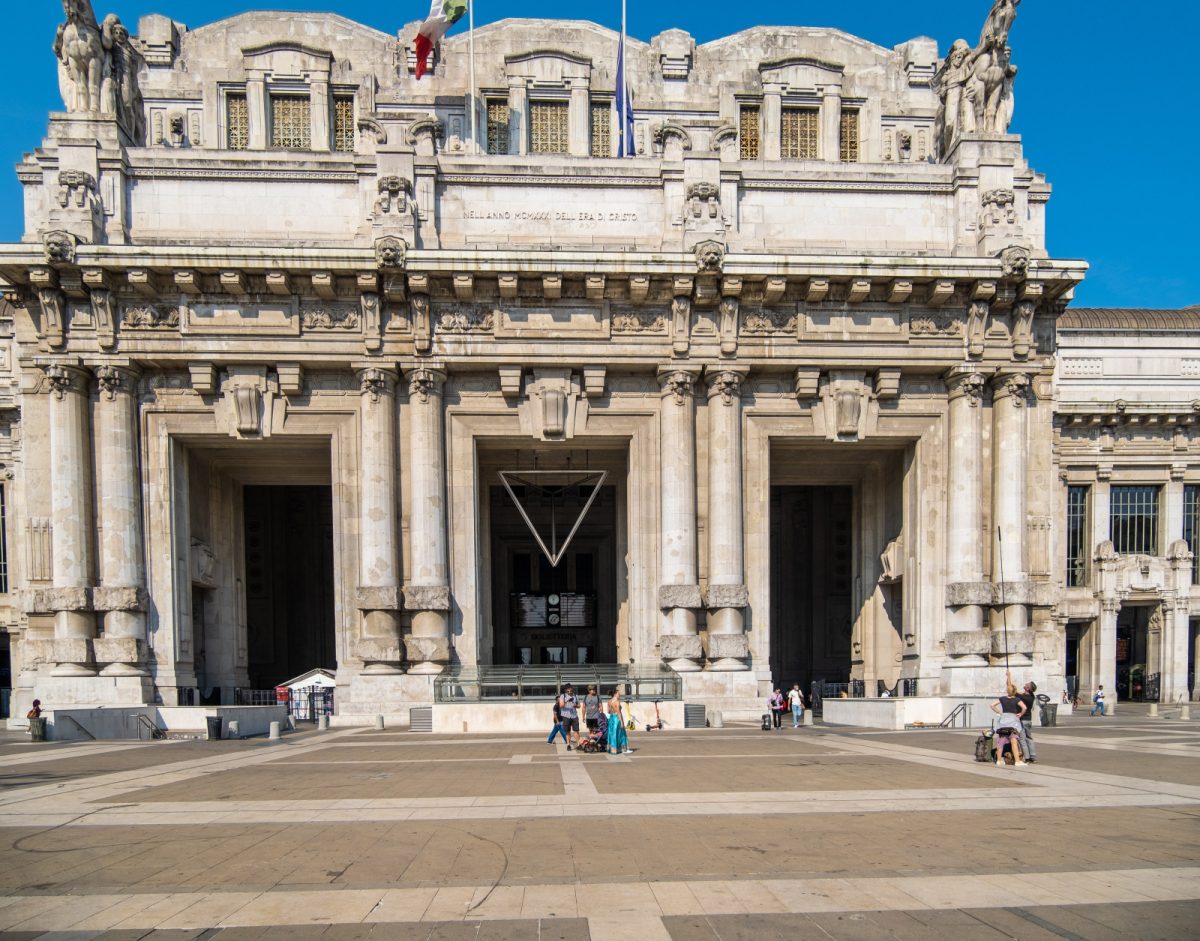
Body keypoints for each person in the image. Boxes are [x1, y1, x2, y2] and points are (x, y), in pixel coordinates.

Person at [1007, 671, 1039, 764]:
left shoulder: (1023, 697)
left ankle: (1027, 757)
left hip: (1022, 720)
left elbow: (1010, 689)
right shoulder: (1031, 696)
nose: (1025, 684)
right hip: (1028, 720)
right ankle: (1033, 757)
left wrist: (1009, 676)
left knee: (1022, 739)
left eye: (1027, 684)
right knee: (1029, 738)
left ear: (1028, 688)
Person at [990, 687, 1027, 766]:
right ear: (1015, 691)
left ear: (1007, 691)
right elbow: (1024, 707)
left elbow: (992, 705)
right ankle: (1017, 761)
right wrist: (1020, 713)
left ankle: (999, 760)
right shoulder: (1017, 699)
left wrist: (999, 712)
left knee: (1001, 741)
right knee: (1014, 740)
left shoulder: (1002, 699)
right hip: (1013, 721)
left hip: (1003, 721)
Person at [607, 688, 629, 755]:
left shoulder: (609, 701)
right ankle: (621, 748)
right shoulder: (617, 702)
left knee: (612, 733)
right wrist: (622, 722)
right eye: (618, 693)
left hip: (611, 718)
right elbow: (619, 712)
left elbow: (608, 711)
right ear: (615, 694)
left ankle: (612, 749)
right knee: (620, 733)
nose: (619, 695)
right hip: (617, 718)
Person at [559, 683, 580, 750]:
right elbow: (561, 706)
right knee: (567, 731)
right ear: (565, 690)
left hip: (574, 715)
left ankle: (578, 744)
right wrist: (567, 701)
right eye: (568, 691)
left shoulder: (575, 696)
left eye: (570, 690)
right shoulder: (563, 696)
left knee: (576, 730)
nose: (569, 692)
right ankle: (568, 745)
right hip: (566, 715)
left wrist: (575, 705)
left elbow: (579, 706)